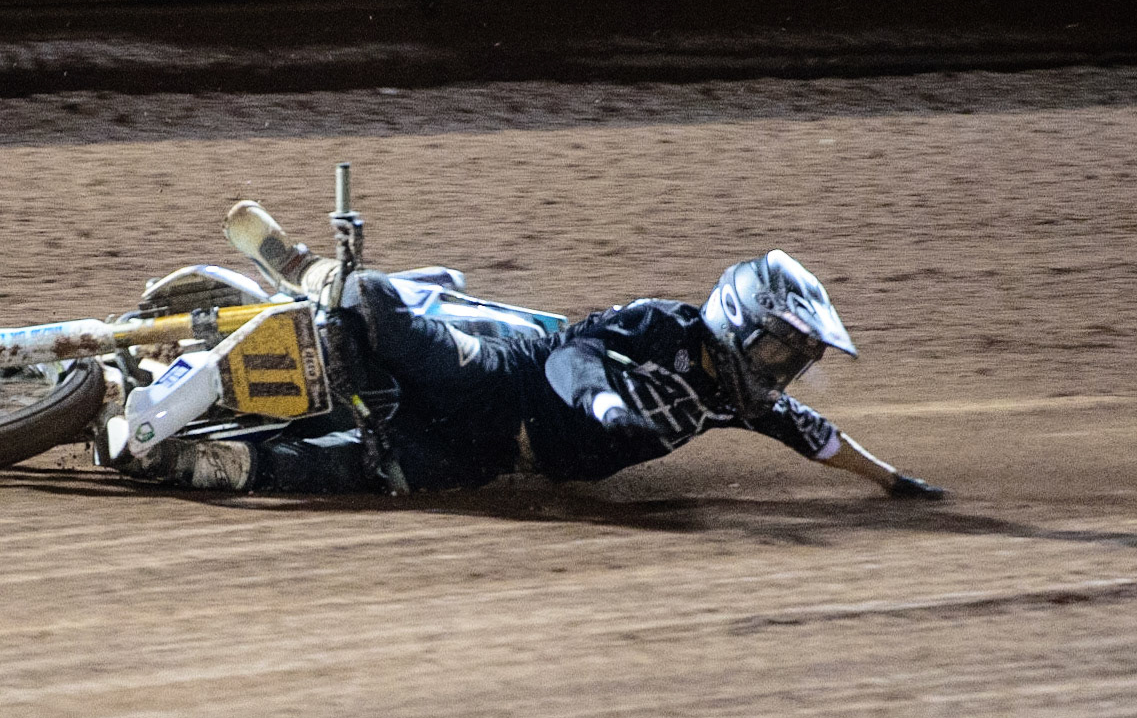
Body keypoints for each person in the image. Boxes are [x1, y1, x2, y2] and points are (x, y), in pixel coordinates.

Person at [121, 202, 945, 501]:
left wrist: (890, 480)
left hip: (495, 455)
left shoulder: (739, 395)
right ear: (740, 319)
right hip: (506, 379)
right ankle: (311, 269)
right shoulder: (663, 326)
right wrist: (604, 403)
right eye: (778, 348)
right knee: (386, 317)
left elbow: (811, 433)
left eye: (791, 357)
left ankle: (216, 466)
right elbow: (573, 361)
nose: (779, 368)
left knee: (375, 472)